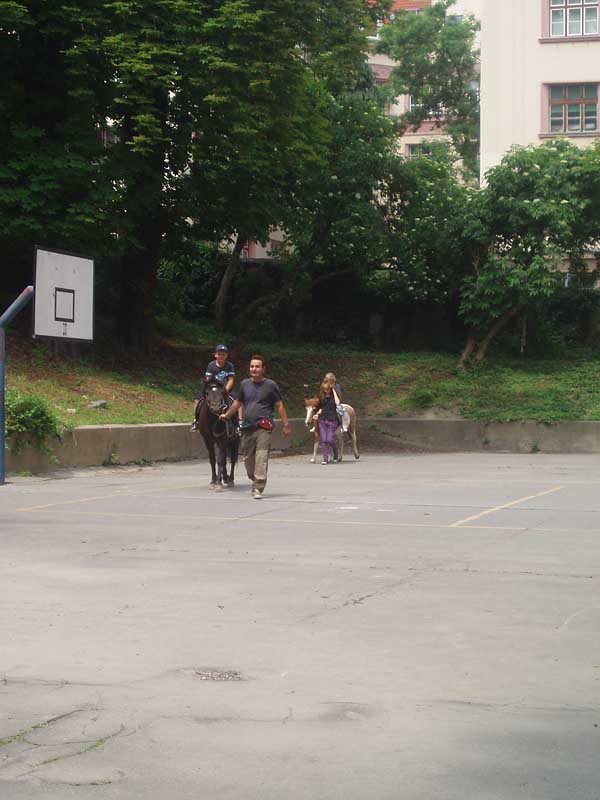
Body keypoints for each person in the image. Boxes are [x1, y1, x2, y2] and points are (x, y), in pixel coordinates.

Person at [220, 354, 291, 499]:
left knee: (261, 456)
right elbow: (238, 403)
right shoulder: (245, 384)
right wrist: (226, 415)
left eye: (257, 366)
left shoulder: (270, 385)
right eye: (252, 366)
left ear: (263, 369)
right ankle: (254, 478)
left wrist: (286, 425)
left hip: (264, 427)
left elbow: (279, 405)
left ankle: (258, 487)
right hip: (247, 427)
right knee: (248, 460)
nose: (254, 369)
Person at [191, 344, 235, 432]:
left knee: (236, 399)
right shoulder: (211, 365)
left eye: (223, 354)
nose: (221, 356)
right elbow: (208, 379)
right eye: (219, 354)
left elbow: (231, 380)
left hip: (224, 388)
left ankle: (238, 422)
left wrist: (225, 390)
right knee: (198, 399)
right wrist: (209, 388)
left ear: (226, 356)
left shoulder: (229, 365)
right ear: (215, 355)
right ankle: (196, 420)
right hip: (212, 388)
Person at [313, 374, 341, 465]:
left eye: (327, 389)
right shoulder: (322, 396)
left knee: (329, 439)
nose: (325, 391)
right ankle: (325, 459)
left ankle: (335, 453)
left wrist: (333, 390)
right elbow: (320, 407)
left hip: (332, 420)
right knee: (324, 440)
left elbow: (337, 403)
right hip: (322, 420)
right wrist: (317, 414)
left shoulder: (334, 395)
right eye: (324, 389)